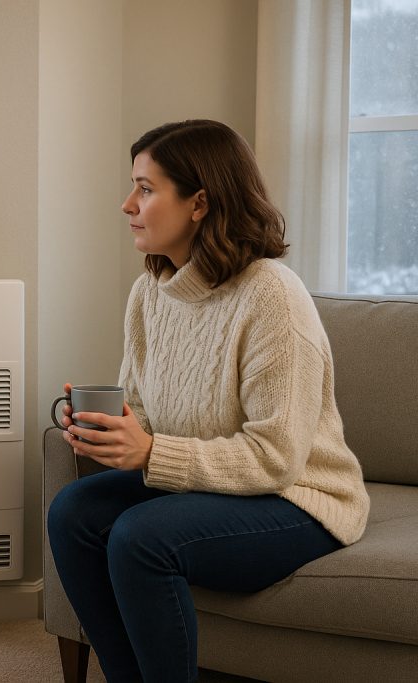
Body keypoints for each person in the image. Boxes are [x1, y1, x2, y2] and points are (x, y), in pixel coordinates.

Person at [46, 119, 369, 682]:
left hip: (299, 498)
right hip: (207, 486)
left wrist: (150, 454)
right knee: (73, 512)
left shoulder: (272, 296)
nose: (127, 204)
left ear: (199, 203)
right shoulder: (151, 291)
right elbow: (146, 412)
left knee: (141, 537)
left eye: (145, 189)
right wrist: (113, 430)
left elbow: (276, 458)